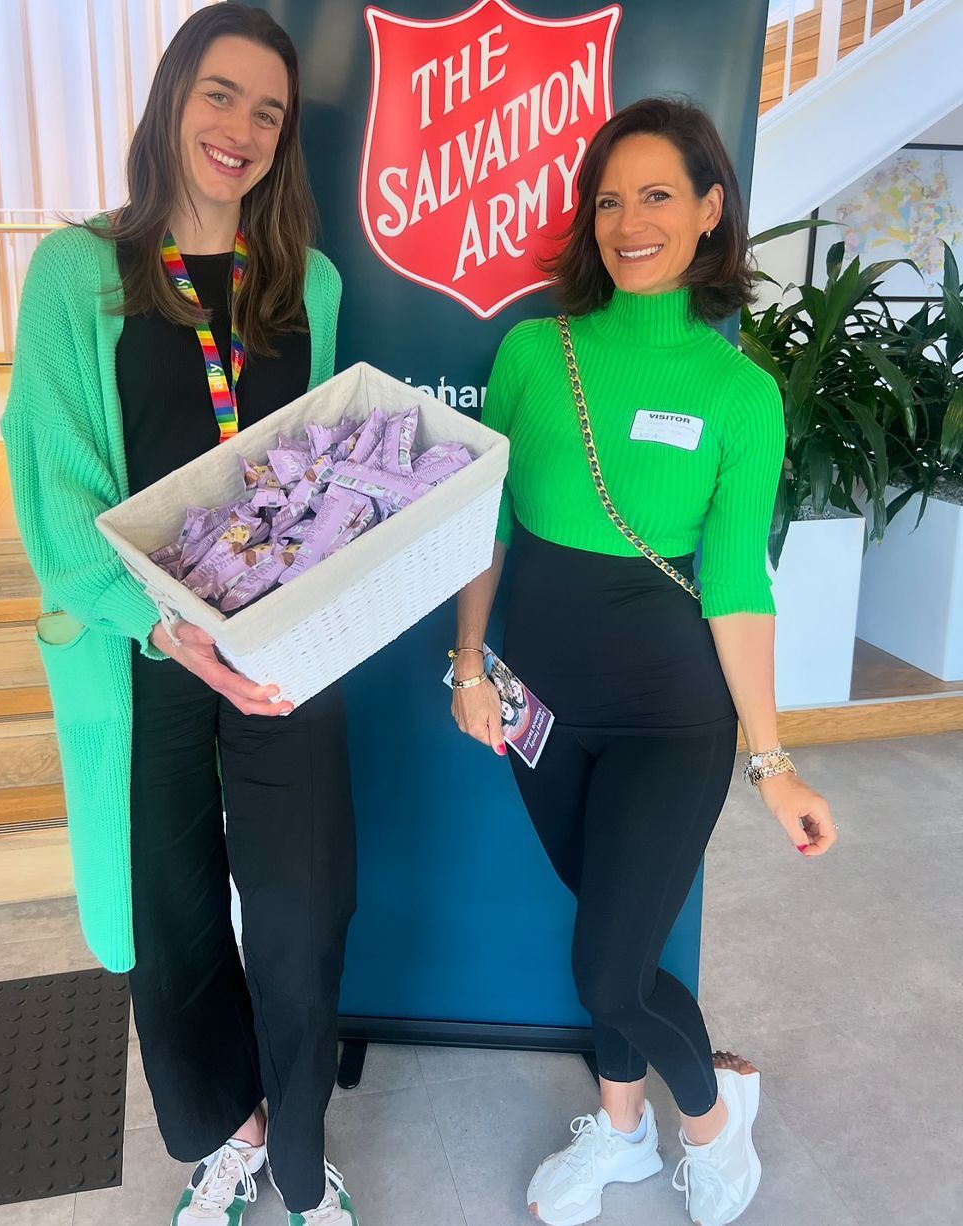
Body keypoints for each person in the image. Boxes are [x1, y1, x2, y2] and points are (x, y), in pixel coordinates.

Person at [450, 97, 837, 1226]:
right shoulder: (535, 351)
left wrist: (774, 762)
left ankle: (712, 1118)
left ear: (711, 210)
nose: (630, 222)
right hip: (541, 707)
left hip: (674, 718)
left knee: (610, 966)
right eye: (611, 199)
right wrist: (468, 663)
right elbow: (487, 524)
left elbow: (739, 583)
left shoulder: (739, 393)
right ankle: (621, 1129)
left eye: (658, 195)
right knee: (607, 937)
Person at [2, 7, 359, 1224]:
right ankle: (228, 1134)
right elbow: (56, 487)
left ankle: (302, 1161)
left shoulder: (309, 284)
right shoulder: (81, 272)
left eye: (268, 111)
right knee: (171, 915)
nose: (240, 129)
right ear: (172, 100)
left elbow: (330, 473)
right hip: (145, 652)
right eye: (220, 94)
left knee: (302, 916)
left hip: (281, 653)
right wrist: (161, 626)